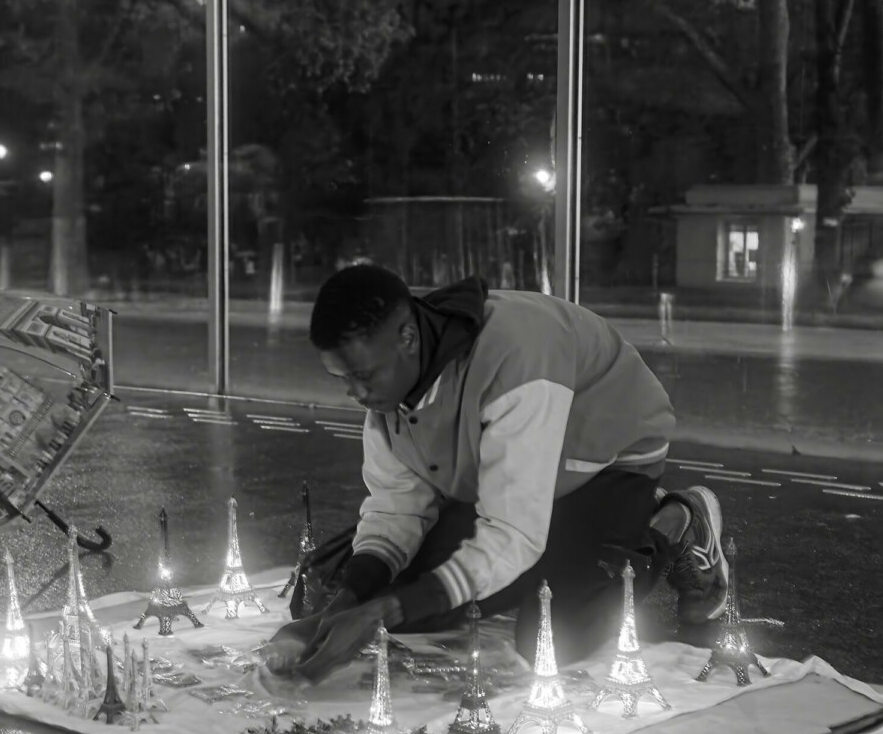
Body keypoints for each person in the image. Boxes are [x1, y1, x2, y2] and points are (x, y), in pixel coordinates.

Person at [265, 264, 729, 682]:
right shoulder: (391, 386)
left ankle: (673, 523)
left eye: (363, 376)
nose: (355, 393)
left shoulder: (517, 358)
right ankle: (555, 558)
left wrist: (386, 609)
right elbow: (396, 507)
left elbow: (511, 532)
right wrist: (347, 604)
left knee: (552, 639)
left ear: (407, 337)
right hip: (511, 482)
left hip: (606, 469)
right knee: (399, 603)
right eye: (342, 379)